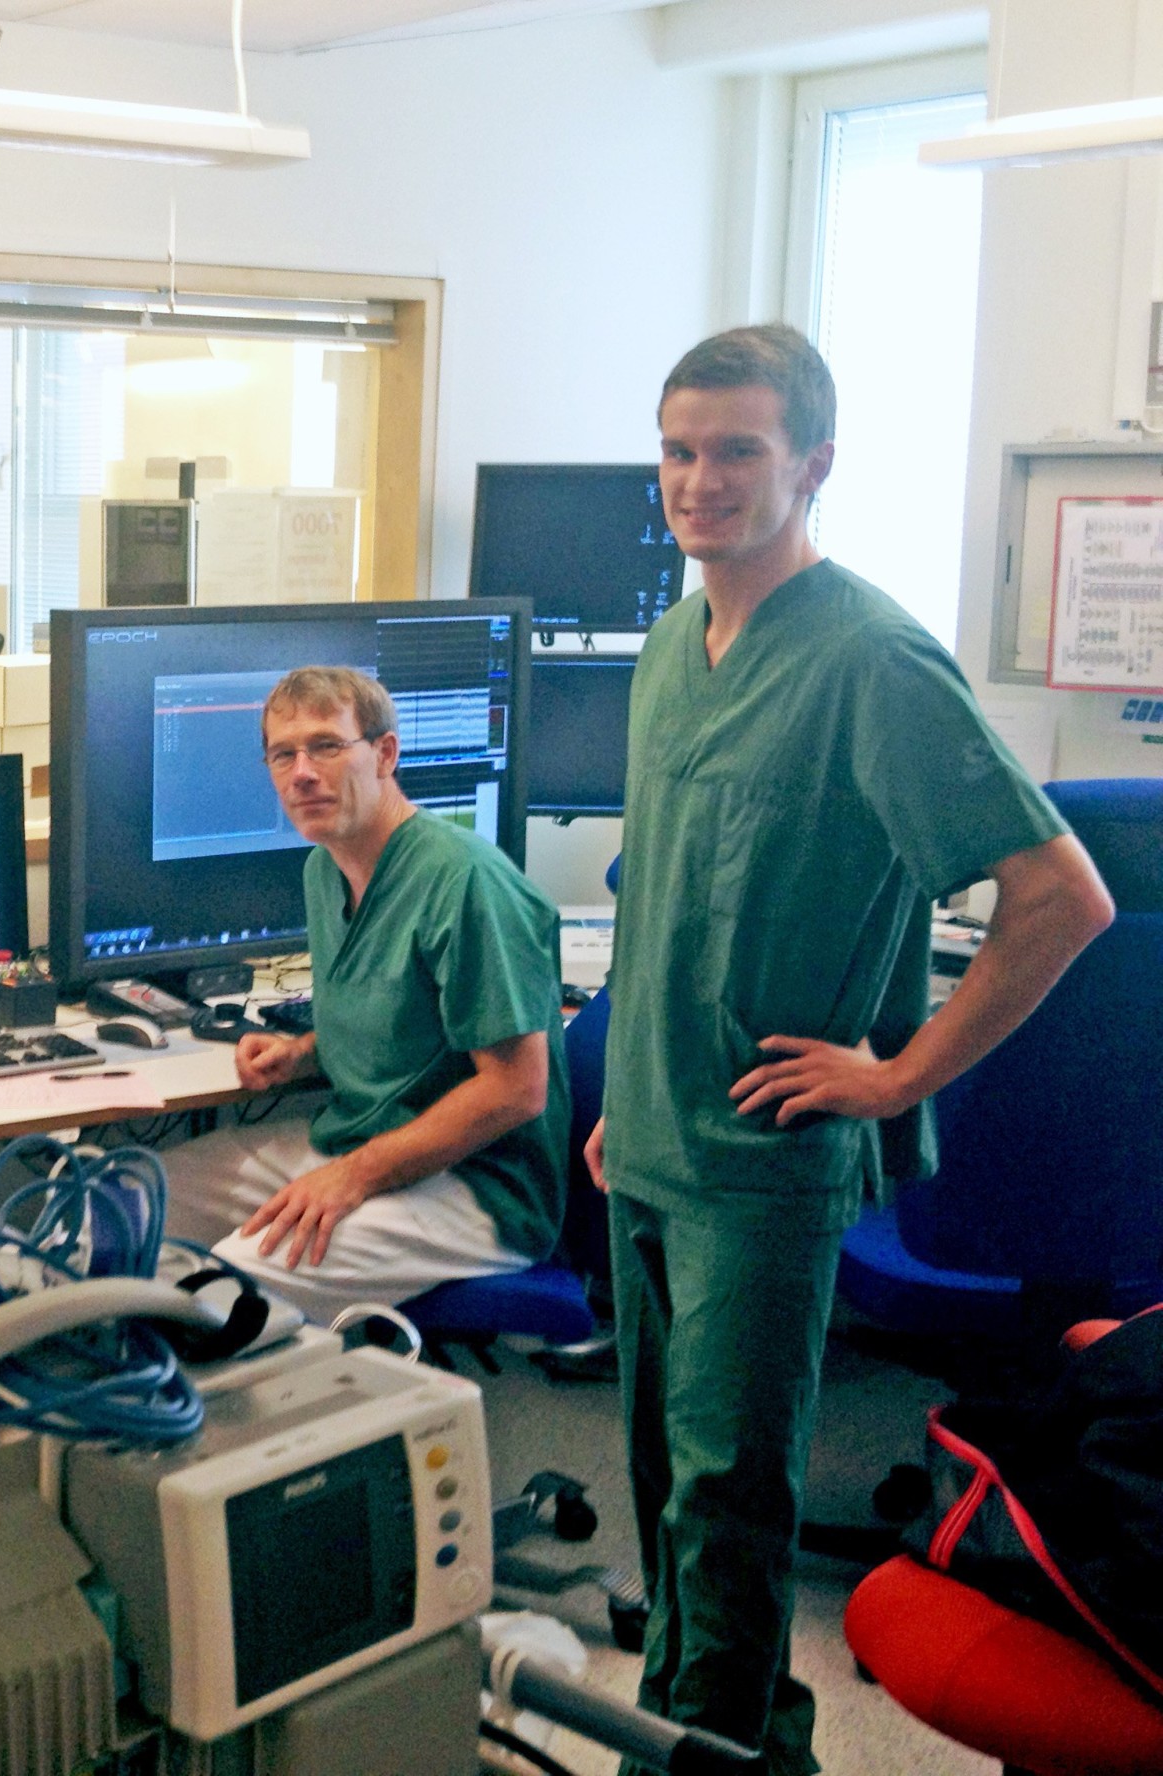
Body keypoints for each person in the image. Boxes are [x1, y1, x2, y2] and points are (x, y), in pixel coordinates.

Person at [591, 323, 1116, 1775]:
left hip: (761, 1163)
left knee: (729, 1500)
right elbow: (673, 887)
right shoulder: (667, 646)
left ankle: (716, 1753)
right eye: (680, 451)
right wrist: (623, 1085)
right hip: (647, 1135)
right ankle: (744, 1744)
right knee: (661, 1491)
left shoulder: (874, 658)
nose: (701, 482)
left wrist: (892, 1078)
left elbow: (1061, 897)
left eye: (738, 451)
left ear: (814, 462)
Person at [162, 665, 571, 1325]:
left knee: (221, 1295)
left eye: (326, 746)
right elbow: (407, 1021)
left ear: (384, 754)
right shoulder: (324, 868)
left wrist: (353, 1176)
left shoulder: (465, 882)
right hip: (367, 1145)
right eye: (282, 754)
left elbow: (515, 1089)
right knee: (127, 1205)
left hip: (476, 1191)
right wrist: (303, 1055)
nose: (301, 772)